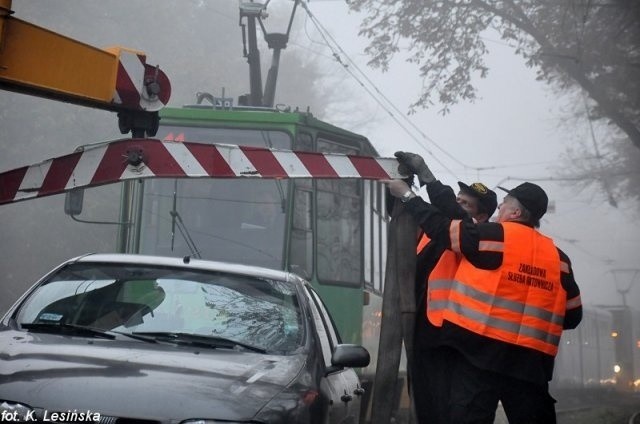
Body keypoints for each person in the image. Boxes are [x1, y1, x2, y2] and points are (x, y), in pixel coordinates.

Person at [386, 165, 582, 424]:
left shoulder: (496, 237)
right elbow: (572, 316)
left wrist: (410, 197)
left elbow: (443, 228)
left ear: (516, 212)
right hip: (531, 366)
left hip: (482, 356)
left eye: (503, 205)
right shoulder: (560, 260)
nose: (499, 209)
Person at [394, 152, 497, 424]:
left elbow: (449, 215)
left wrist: (426, 182)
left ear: (482, 217)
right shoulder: (435, 234)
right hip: (427, 333)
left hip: (451, 339)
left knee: (448, 410)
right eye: (458, 199)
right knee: (427, 406)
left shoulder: (475, 237)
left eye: (466, 204)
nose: (458, 205)